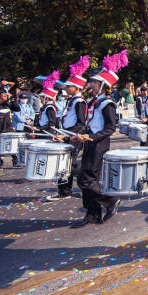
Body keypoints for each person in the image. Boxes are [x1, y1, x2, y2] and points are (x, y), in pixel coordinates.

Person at [72, 50, 128, 227]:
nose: (91, 84)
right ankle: (92, 213)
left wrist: (92, 137)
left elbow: (111, 128)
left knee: (85, 179)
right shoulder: (94, 101)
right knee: (88, 179)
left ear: (103, 84)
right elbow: (90, 123)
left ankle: (110, 200)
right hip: (90, 141)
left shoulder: (107, 103)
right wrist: (80, 135)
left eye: (94, 82)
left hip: (99, 144)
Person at [47, 56, 90, 202]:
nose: (66, 88)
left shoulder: (79, 101)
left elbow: (81, 122)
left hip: (74, 136)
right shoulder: (71, 100)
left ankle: (79, 185)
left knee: (68, 164)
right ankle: (65, 190)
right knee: (65, 163)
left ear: (76, 87)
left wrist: (71, 136)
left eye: (68, 86)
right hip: (67, 134)